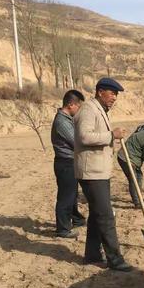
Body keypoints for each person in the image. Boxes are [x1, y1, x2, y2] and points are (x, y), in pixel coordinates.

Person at [74, 77, 132, 271]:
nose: (114, 97)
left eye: (116, 94)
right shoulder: (88, 109)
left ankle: (91, 256)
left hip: (99, 171)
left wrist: (112, 138)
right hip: (91, 172)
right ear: (100, 92)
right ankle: (115, 259)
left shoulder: (101, 110)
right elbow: (84, 136)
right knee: (106, 216)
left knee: (97, 214)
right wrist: (111, 135)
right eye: (112, 93)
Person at [51, 89, 86, 238]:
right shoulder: (61, 121)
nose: (79, 110)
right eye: (78, 106)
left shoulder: (67, 119)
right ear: (71, 105)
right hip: (65, 163)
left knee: (72, 194)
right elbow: (76, 141)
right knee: (66, 196)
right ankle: (63, 229)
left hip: (69, 162)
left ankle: (76, 219)